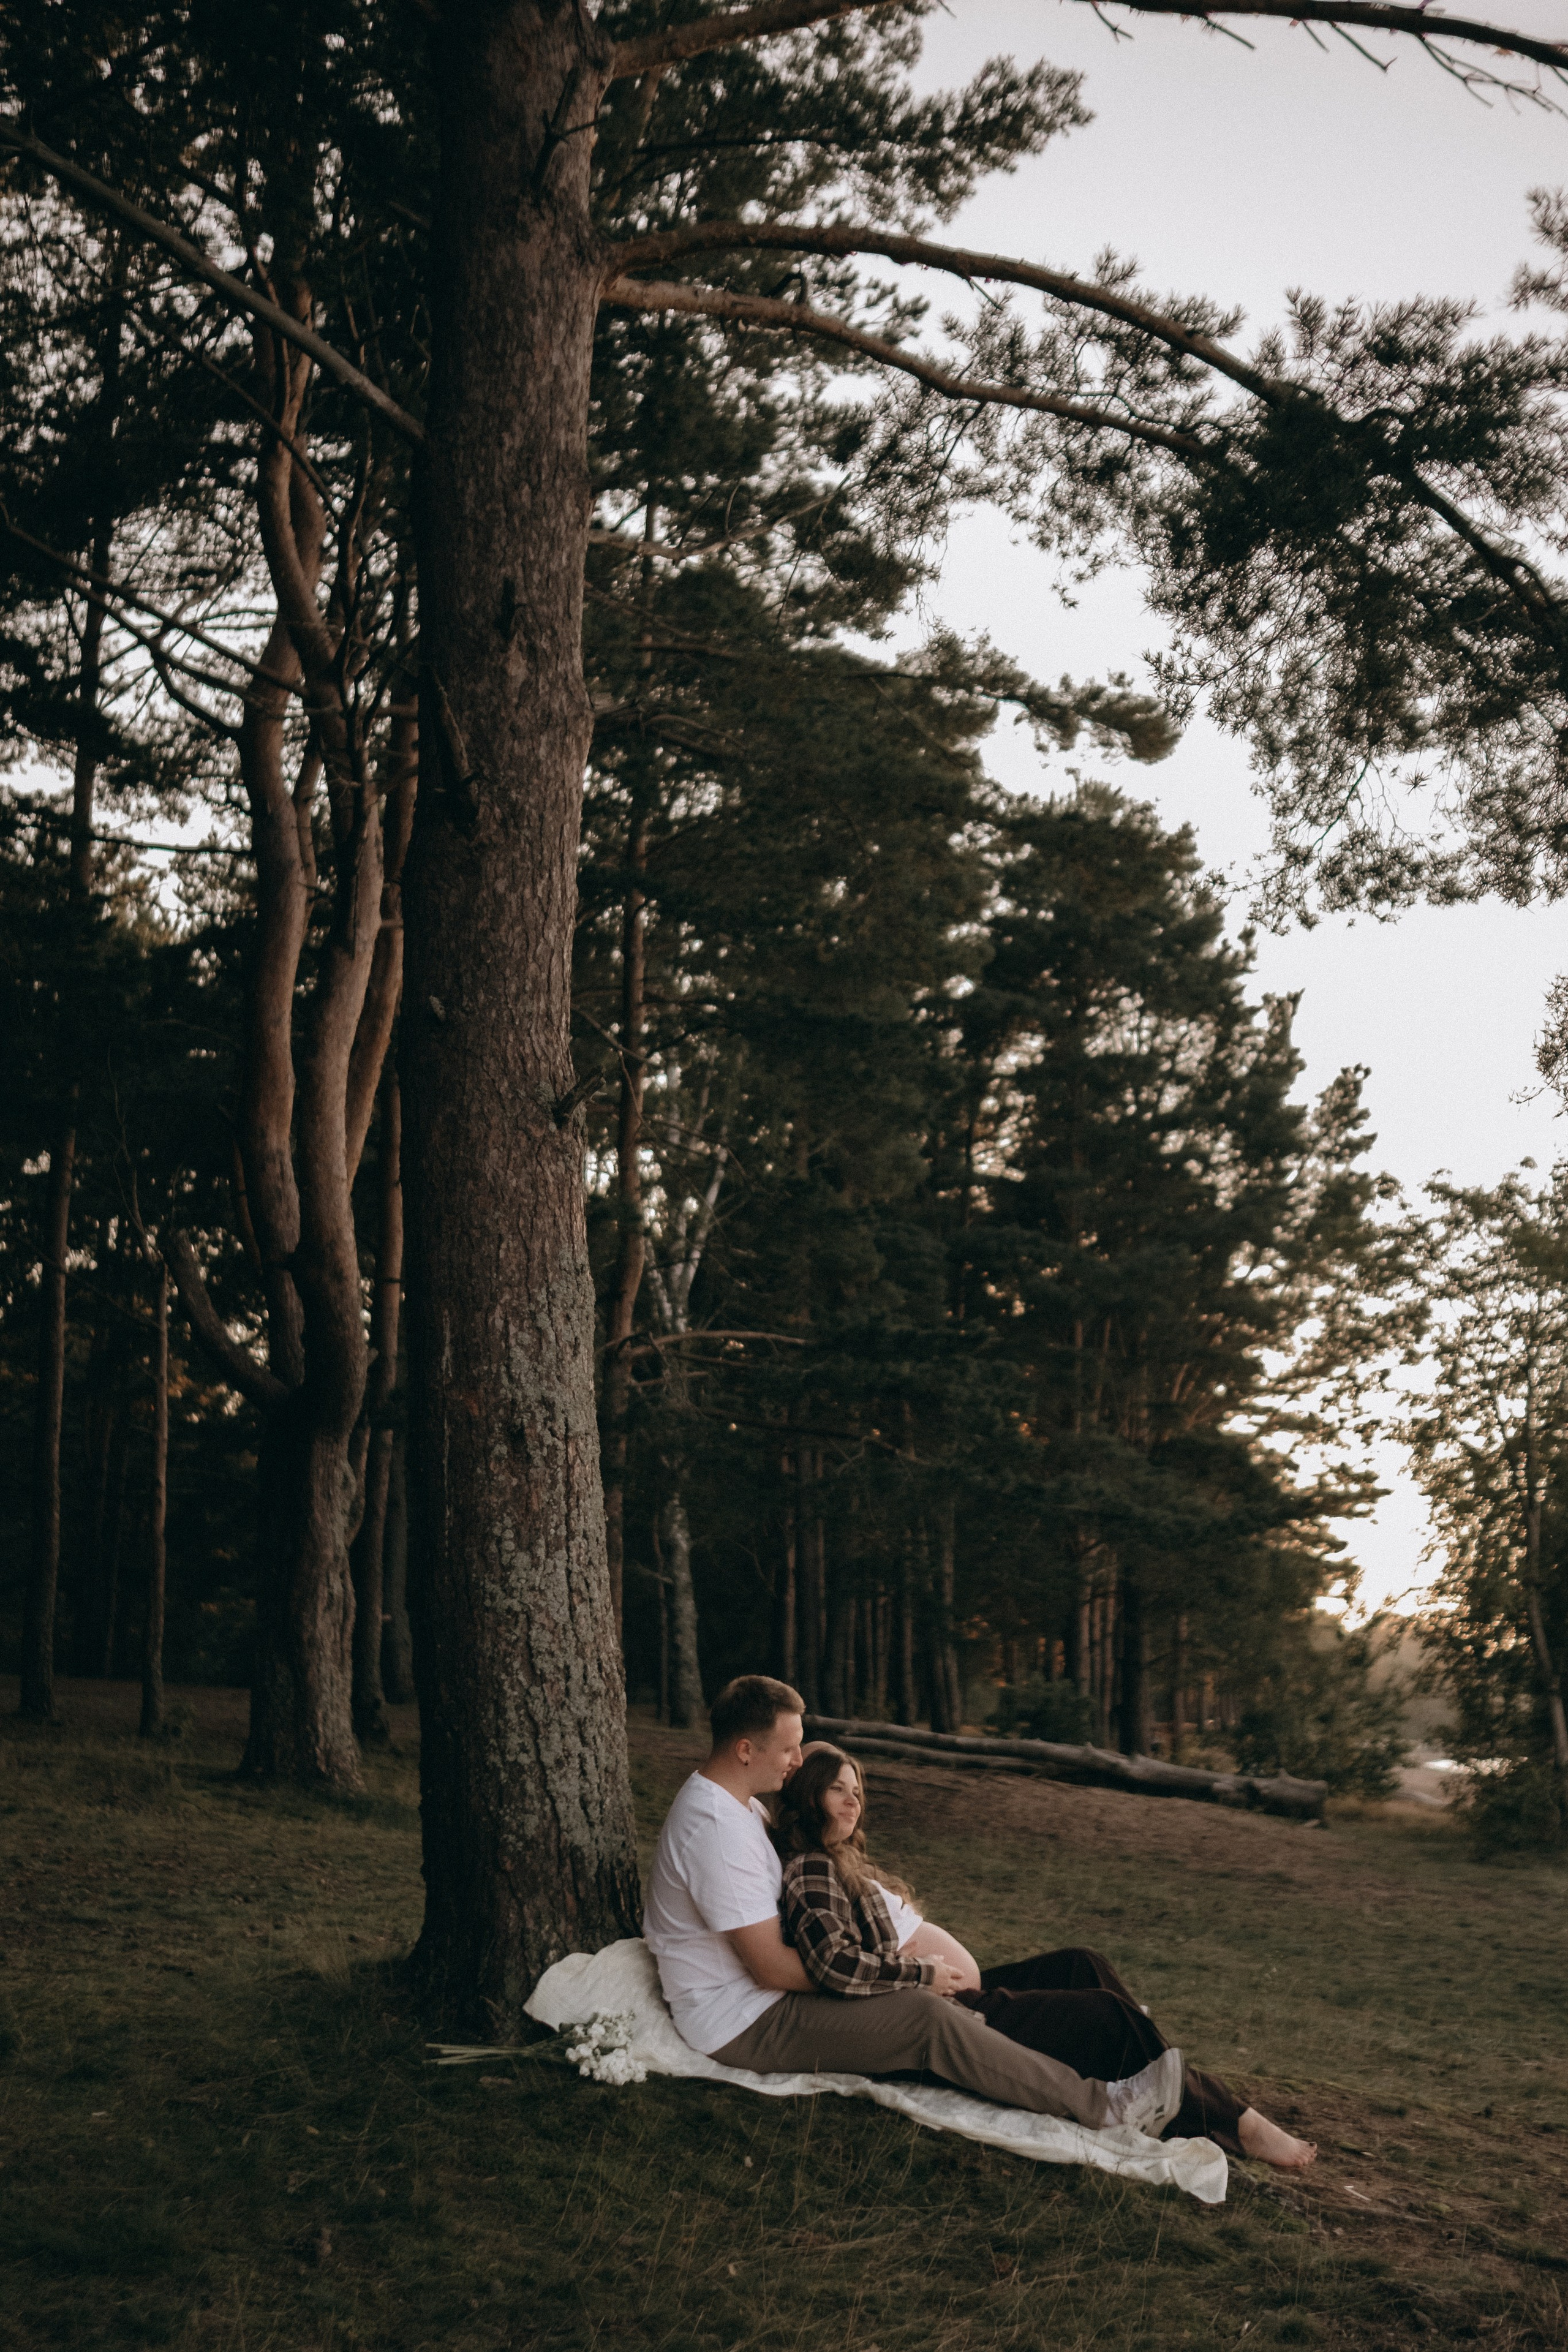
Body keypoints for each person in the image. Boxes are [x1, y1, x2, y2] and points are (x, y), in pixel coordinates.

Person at [643, 1675, 1185, 2136]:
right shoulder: (713, 1826)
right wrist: (899, 1977)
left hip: (764, 2000)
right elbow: (769, 1967)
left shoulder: (740, 1809)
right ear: (745, 1750)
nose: (798, 1760)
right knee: (923, 2017)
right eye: (789, 1749)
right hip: (742, 2022)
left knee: (956, 2002)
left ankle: (1103, 2059)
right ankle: (1106, 2108)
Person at [772, 1744, 1317, 2170]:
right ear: (809, 1797)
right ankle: (1234, 2119)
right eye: (837, 1790)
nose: (853, 1801)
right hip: (947, 2008)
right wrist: (923, 1971)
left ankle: (1174, 2091)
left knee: (1083, 1965)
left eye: (857, 1792)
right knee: (1106, 2016)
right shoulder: (813, 1869)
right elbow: (834, 1963)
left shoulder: (838, 1860)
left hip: (952, 1987)